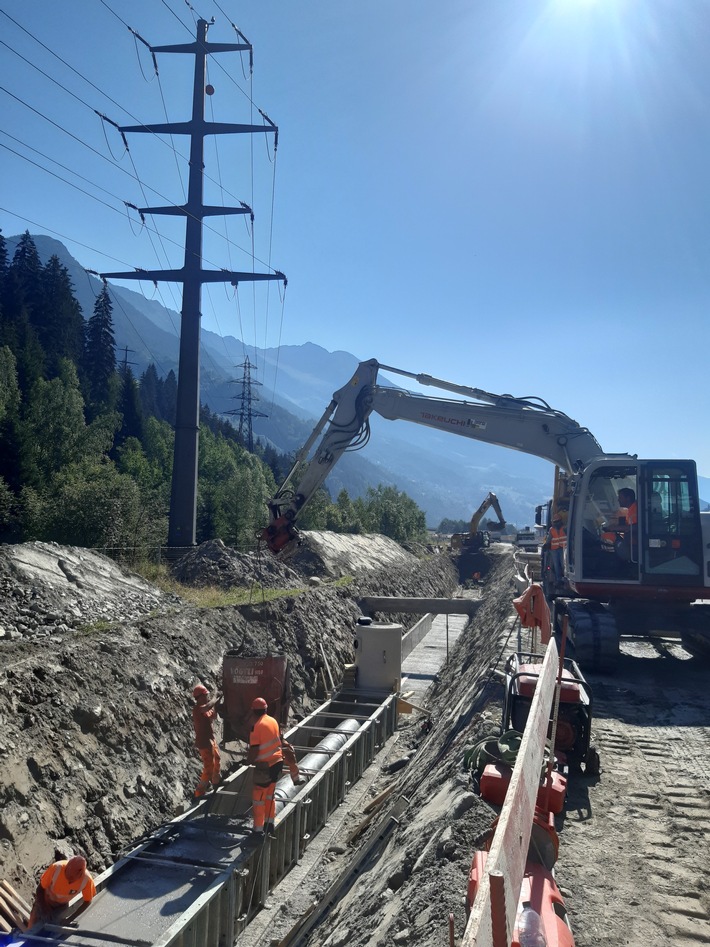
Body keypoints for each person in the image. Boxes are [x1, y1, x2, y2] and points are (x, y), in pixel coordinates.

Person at [247, 697, 284, 836]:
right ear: (266, 709)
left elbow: (254, 750)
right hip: (277, 763)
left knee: (258, 797)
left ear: (253, 712)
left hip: (265, 766)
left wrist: (248, 761)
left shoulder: (256, 727)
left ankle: (257, 830)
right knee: (270, 795)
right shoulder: (273, 720)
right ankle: (269, 825)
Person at [27, 855, 96, 929]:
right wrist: (44, 907)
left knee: (53, 928)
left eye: (71, 878)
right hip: (44, 900)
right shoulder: (56, 868)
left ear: (81, 874)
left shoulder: (87, 880)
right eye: (66, 874)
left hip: (61, 906)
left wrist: (70, 919)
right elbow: (40, 889)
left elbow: (87, 901)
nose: (68, 879)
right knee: (33, 925)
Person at [192, 684, 222, 800]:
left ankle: (216, 782)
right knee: (208, 768)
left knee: (217, 759)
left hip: (210, 740)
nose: (207, 698)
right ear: (199, 697)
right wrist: (216, 697)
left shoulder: (205, 708)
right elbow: (207, 707)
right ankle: (199, 792)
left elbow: (213, 716)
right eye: (205, 695)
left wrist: (218, 702)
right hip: (204, 743)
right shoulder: (197, 709)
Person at [545, 514, 567, 585]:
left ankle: (565, 578)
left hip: (563, 548)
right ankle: (559, 579)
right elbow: (549, 539)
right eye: (555, 522)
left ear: (560, 521)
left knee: (563, 564)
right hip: (554, 549)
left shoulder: (564, 528)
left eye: (558, 521)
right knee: (556, 565)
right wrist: (546, 545)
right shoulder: (552, 529)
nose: (557, 523)